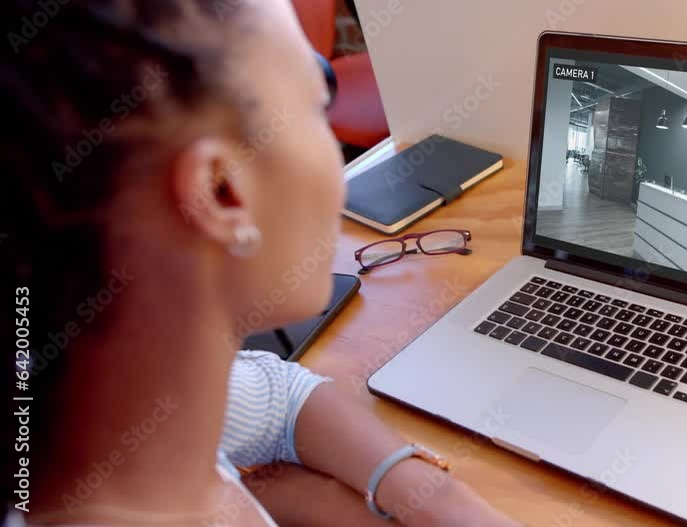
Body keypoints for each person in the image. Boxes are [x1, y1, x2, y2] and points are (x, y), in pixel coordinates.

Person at [2, 0, 519, 525]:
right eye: (318, 105)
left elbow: (277, 399)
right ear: (221, 192)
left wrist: (431, 498)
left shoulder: (100, 399)